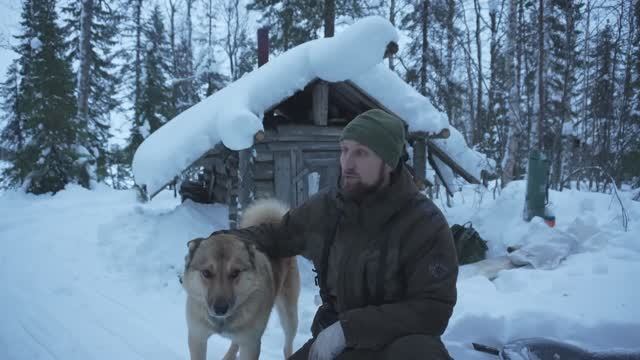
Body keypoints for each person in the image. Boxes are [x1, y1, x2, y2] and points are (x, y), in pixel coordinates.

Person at [235, 109, 458, 360]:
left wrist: (349, 330)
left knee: (422, 353)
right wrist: (223, 242)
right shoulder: (328, 207)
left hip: (393, 347)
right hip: (337, 345)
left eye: (361, 153)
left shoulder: (424, 224)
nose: (347, 163)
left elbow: (432, 310)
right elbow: (278, 235)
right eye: (344, 150)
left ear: (389, 161)